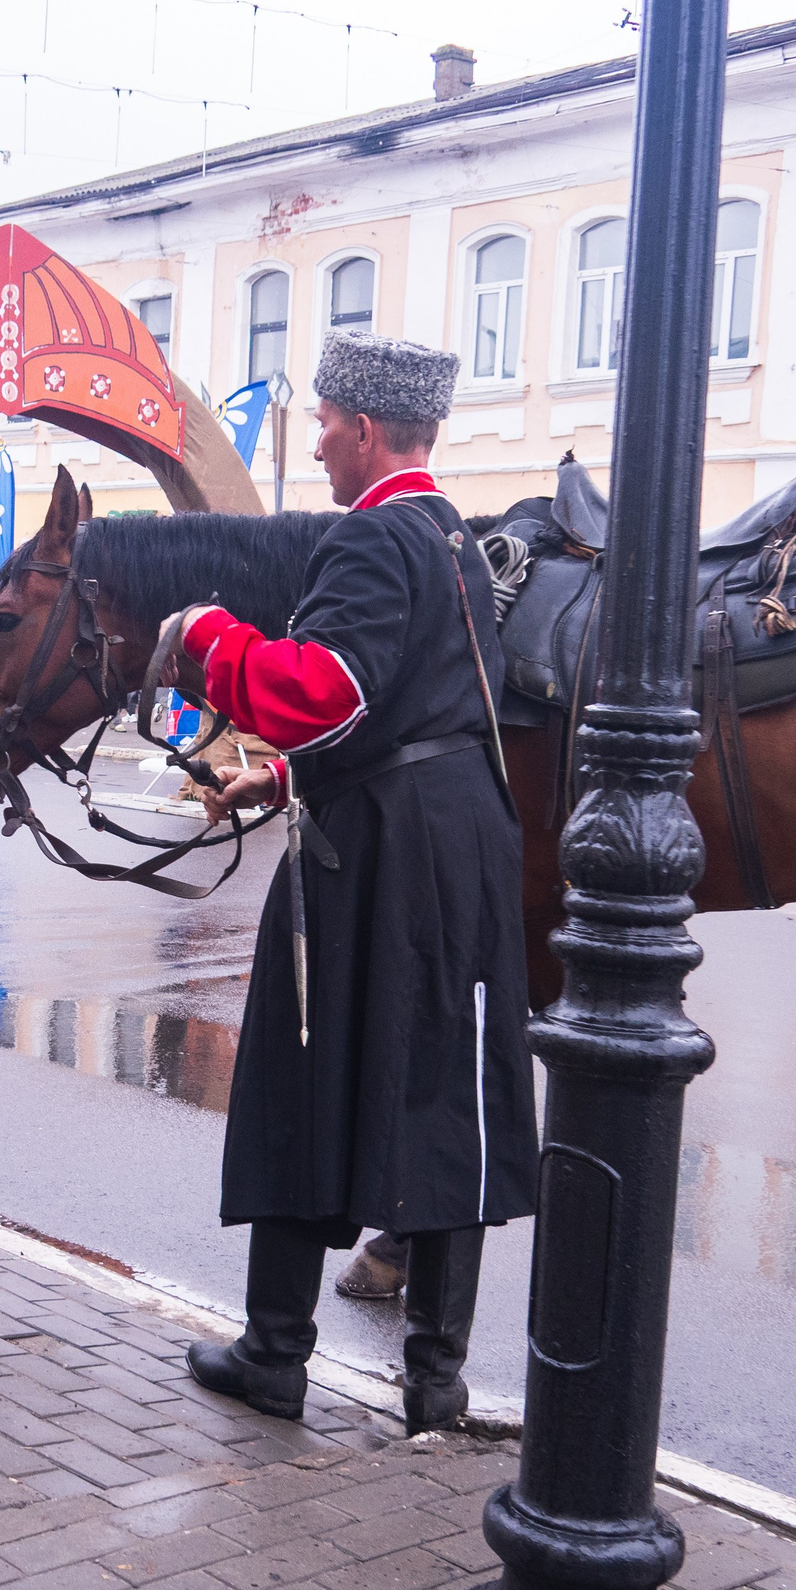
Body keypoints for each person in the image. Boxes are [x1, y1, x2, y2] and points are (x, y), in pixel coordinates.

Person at [170, 330, 540, 1436]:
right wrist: (283, 775)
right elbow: (416, 703)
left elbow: (323, 690)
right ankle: (435, 1381)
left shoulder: (373, 536)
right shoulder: (455, 537)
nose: (319, 441)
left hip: (381, 851)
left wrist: (209, 636)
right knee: (446, 1094)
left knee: (302, 1071)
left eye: (327, 422)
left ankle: (275, 1353)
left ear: (367, 430)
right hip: (460, 835)